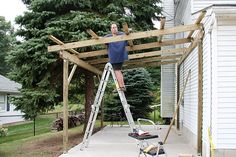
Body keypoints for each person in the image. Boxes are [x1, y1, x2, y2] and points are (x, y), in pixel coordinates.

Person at [105, 23, 128, 91]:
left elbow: (128, 36)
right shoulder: (108, 36)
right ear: (111, 29)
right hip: (113, 57)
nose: (114, 28)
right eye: (112, 27)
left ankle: (121, 86)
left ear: (117, 28)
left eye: (115, 27)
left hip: (119, 56)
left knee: (117, 71)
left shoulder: (122, 34)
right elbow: (102, 40)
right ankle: (121, 85)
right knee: (117, 71)